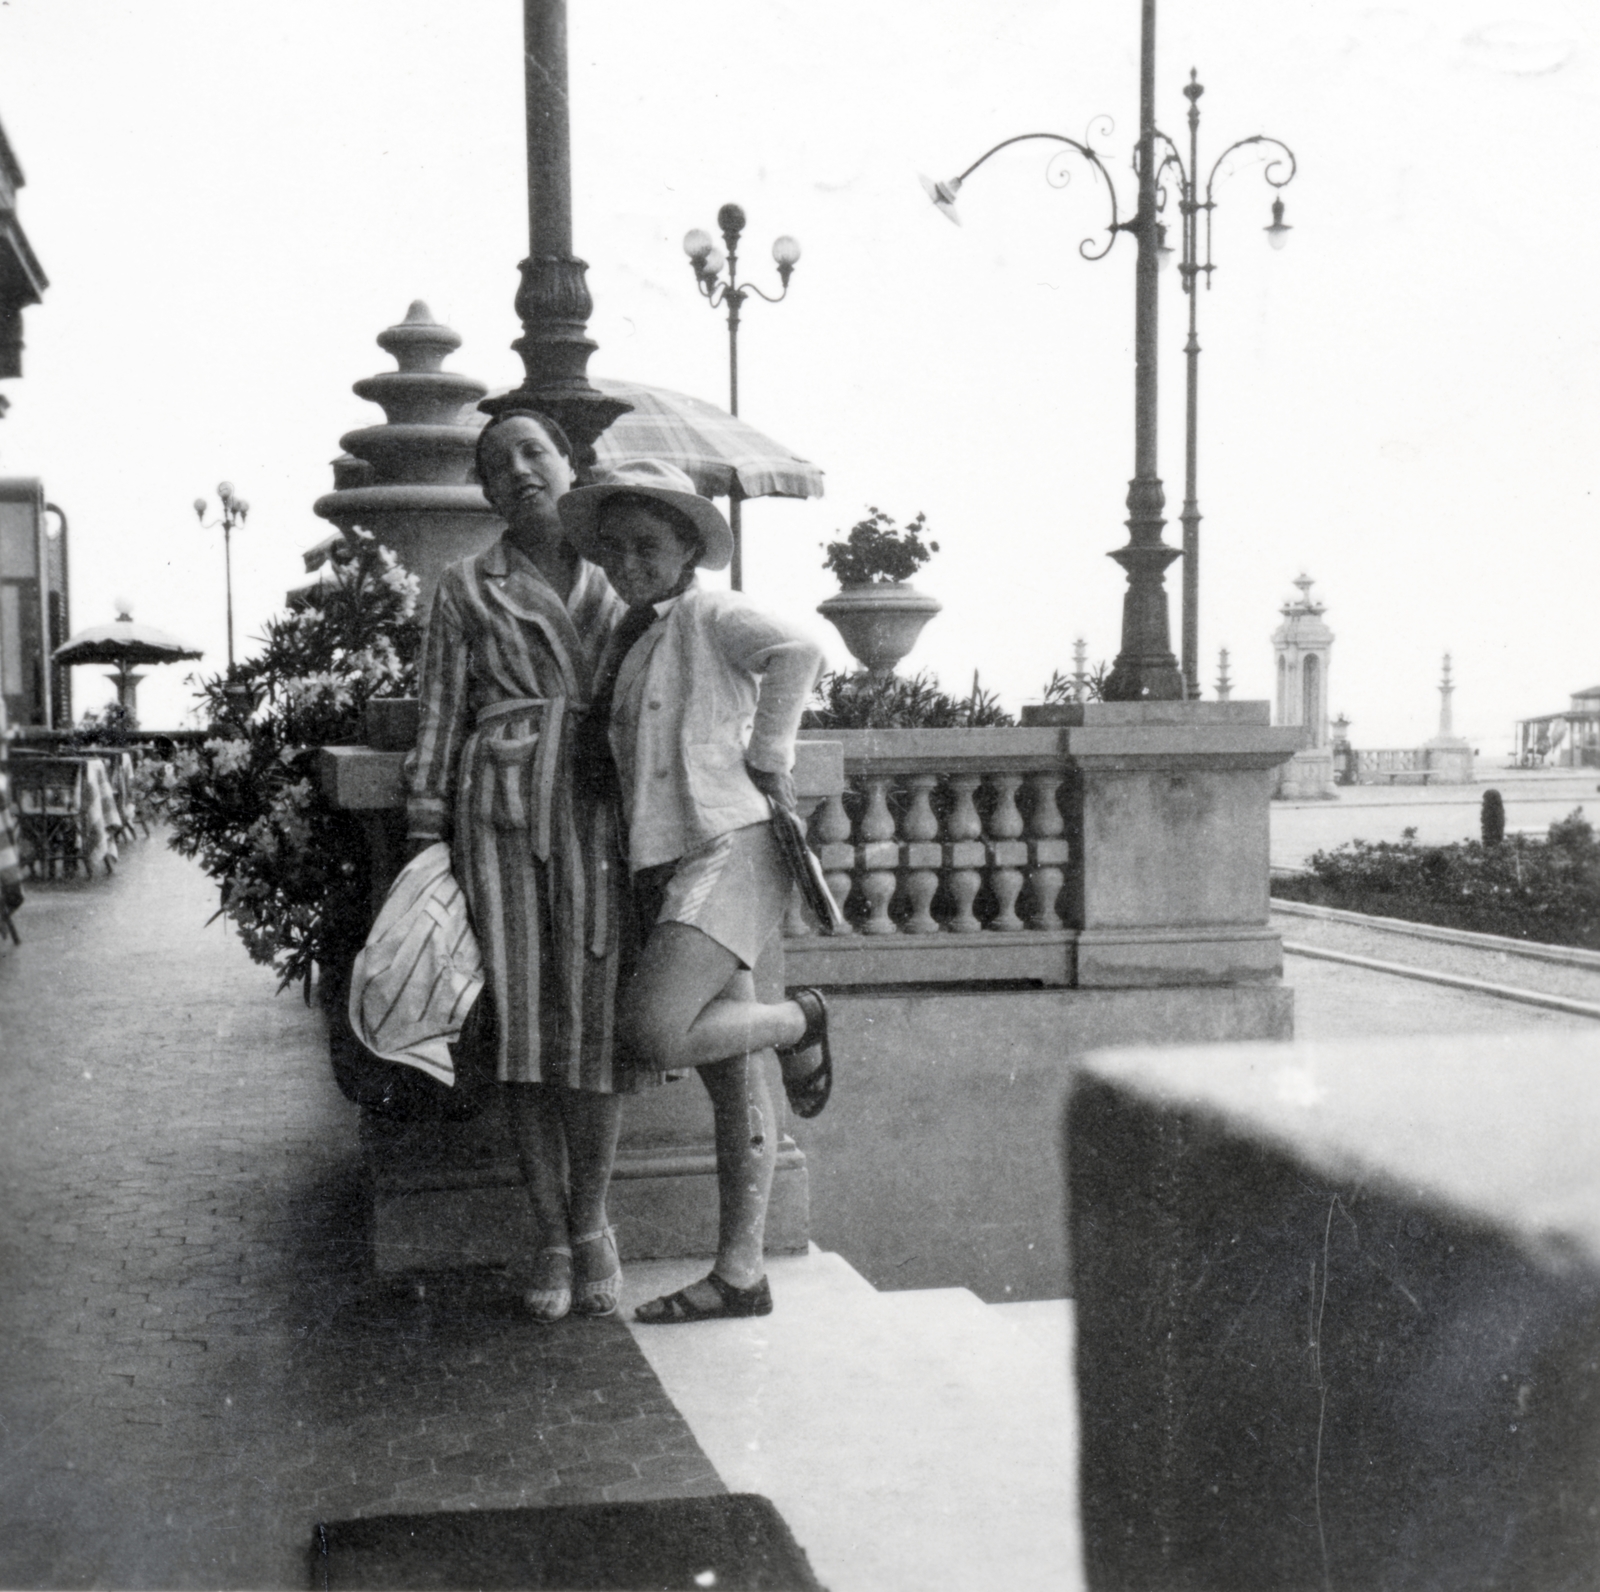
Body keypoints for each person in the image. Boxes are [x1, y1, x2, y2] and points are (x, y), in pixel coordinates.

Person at [558, 460, 832, 1324]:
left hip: (730, 845)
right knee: (728, 1073)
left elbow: (801, 649)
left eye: (649, 545)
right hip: (669, 864)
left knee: (653, 1030)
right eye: (616, 548)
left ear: (687, 549)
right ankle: (740, 1272)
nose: (630, 562)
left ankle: (804, 1019)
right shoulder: (633, 638)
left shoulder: (711, 612)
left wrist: (770, 754)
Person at [405, 406, 641, 1324]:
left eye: (534, 451)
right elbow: (437, 717)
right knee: (524, 1037)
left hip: (603, 811)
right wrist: (426, 837)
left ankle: (594, 1224)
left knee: (595, 1031)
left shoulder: (623, 570)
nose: (520, 472)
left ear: (571, 462)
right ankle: (548, 1231)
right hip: (500, 816)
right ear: (488, 492)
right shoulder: (466, 585)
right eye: (498, 465)